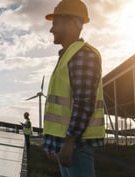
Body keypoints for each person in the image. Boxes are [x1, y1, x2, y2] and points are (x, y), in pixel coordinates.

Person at [42, 0, 105, 177]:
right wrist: (52, 142)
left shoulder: (82, 55)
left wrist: (69, 143)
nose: (51, 29)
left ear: (71, 23)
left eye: (55, 23)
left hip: (76, 145)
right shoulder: (69, 55)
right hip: (66, 143)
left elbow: (84, 103)